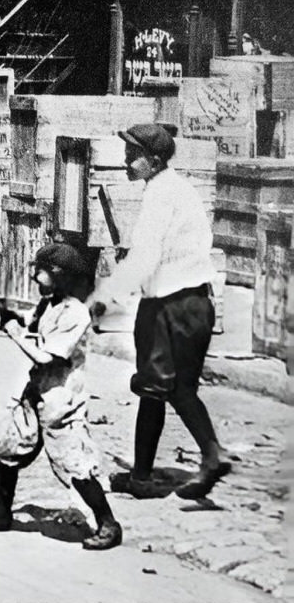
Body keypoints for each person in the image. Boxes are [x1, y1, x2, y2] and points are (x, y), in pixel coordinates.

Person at [90, 123, 230, 500]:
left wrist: (104, 297)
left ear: (153, 161)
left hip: (167, 305)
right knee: (182, 389)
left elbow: (146, 257)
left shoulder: (158, 195)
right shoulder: (182, 189)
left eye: (132, 155)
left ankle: (143, 476)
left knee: (153, 389)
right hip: (199, 303)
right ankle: (209, 455)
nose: (126, 160)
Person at [0, 243, 122, 550]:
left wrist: (13, 333)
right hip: (36, 392)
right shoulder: (50, 305)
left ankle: (108, 523)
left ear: (59, 275)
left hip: (60, 400)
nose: (35, 278)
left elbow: (46, 357)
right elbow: (34, 328)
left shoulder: (76, 313)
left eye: (40, 272)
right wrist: (9, 317)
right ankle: (0, 511)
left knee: (74, 463)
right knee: (9, 449)